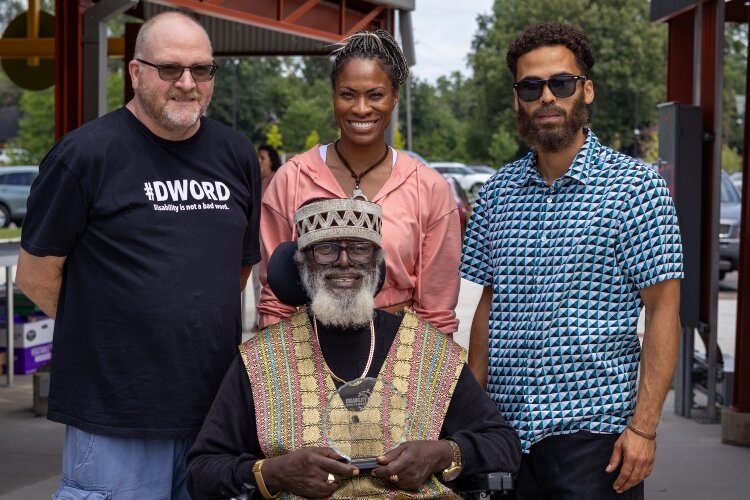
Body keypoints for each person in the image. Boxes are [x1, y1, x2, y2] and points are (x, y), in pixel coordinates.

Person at [15, 11, 260, 500]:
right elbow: (36, 275)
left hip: (213, 412)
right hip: (114, 416)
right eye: (171, 68)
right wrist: (115, 333)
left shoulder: (236, 154)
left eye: (202, 70)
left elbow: (236, 268)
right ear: (135, 72)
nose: (187, 83)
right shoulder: (84, 155)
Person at [460, 23, 683, 499]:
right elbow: (487, 308)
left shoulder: (636, 190)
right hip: (506, 434)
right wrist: (470, 419)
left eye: (560, 84)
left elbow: (665, 311)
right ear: (517, 97)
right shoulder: (497, 193)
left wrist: (644, 429)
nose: (546, 97)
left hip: (594, 438)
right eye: (530, 86)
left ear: (586, 89)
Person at [187, 197, 521, 499]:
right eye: (326, 249)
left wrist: (442, 454)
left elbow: (503, 444)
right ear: (302, 265)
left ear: (377, 263)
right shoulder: (261, 360)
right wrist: (276, 473)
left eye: (360, 249)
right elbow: (203, 471)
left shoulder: (428, 350)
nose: (344, 262)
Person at [257, 30, 461, 335]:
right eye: (348, 94)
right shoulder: (292, 179)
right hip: (306, 358)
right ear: (333, 96)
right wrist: (288, 377)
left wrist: (415, 378)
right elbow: (276, 300)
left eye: (375, 94)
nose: (361, 108)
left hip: (398, 361)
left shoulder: (429, 190)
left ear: (394, 97)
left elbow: (436, 311)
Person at [250, 144, 282, 331]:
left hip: (274, 239)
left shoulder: (277, 180)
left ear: (272, 159)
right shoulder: (256, 182)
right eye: (258, 158)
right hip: (257, 238)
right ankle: (258, 318)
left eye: (263, 158)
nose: (259, 162)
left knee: (270, 279)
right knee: (255, 281)